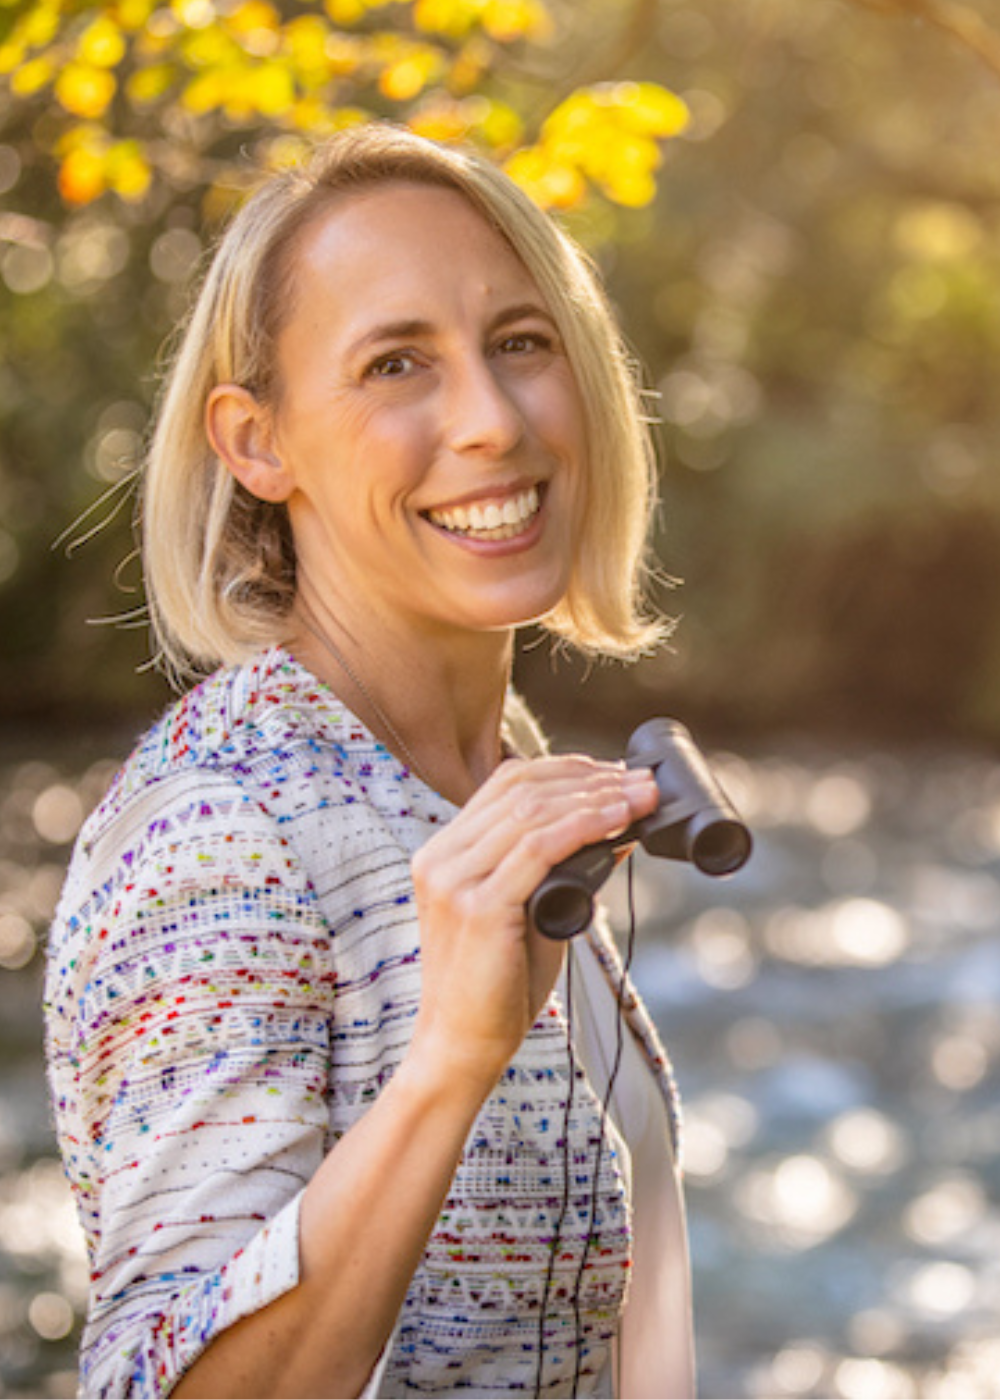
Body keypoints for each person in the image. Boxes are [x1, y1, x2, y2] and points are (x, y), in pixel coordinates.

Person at [44, 123, 695, 1399]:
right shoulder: (222, 822)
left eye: (520, 341)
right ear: (257, 443)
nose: (491, 420)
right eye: (396, 362)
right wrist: (449, 1060)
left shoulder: (480, 773)